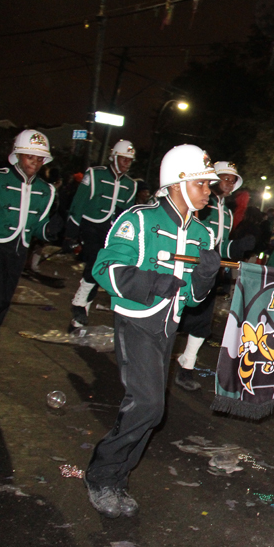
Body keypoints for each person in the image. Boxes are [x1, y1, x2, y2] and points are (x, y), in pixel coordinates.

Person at [84, 144, 221, 518]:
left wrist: (206, 277)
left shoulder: (203, 234)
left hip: (168, 327)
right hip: (136, 320)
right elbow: (105, 269)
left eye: (209, 185)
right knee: (147, 403)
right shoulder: (139, 219)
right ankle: (101, 476)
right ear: (177, 183)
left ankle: (117, 478)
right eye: (202, 184)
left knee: (153, 411)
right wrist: (153, 281)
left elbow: (192, 297)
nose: (209, 190)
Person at [0, 129, 59, 387]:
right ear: (17, 155)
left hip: (18, 251)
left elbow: (38, 228)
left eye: (40, 159)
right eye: (30, 157)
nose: (35, 163)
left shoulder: (46, 190)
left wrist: (53, 228)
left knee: (2, 304)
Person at [174, 161, 256, 392]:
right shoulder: (199, 203)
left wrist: (237, 247)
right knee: (172, 317)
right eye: (225, 178)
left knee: (202, 321)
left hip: (208, 272)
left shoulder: (227, 213)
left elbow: (221, 247)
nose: (228, 184)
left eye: (232, 180)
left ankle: (186, 365)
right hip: (185, 268)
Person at [66, 140, 139, 331]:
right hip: (90, 225)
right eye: (123, 159)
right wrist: (71, 232)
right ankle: (78, 302)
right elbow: (79, 202)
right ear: (113, 157)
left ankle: (78, 320)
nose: (126, 163)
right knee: (94, 262)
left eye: (129, 160)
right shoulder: (94, 174)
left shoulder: (131, 185)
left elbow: (127, 215)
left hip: (110, 231)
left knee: (99, 271)